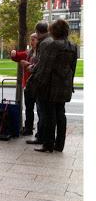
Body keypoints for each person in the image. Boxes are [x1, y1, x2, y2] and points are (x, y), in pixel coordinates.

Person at [29, 19, 77, 153]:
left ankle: (48, 144)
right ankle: (59, 144)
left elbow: (45, 68)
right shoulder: (72, 46)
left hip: (50, 86)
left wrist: (36, 83)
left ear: (53, 31)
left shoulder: (52, 46)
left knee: (50, 115)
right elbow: (73, 68)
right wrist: (70, 84)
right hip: (64, 85)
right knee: (61, 114)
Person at [25, 21, 54, 145]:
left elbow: (41, 65)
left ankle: (43, 138)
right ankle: (45, 138)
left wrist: (30, 67)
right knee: (45, 112)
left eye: (34, 38)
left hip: (40, 82)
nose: (33, 42)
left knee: (43, 111)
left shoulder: (44, 44)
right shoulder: (50, 42)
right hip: (42, 82)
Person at [10, 33, 38, 136]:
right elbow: (17, 56)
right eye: (31, 40)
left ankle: (40, 131)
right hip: (28, 85)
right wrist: (13, 53)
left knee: (40, 110)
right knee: (29, 109)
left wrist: (28, 65)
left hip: (39, 85)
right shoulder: (29, 53)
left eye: (34, 39)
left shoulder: (42, 52)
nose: (31, 42)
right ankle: (28, 129)